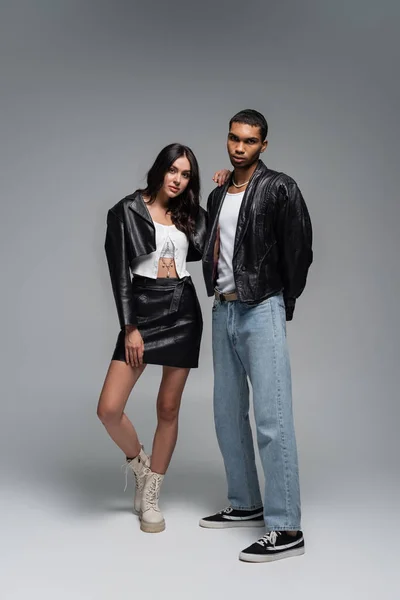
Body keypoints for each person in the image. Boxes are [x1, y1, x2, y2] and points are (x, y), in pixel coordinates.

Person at [97, 143, 229, 533]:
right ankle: (139, 465)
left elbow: (222, 235)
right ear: (160, 169)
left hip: (183, 312)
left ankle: (153, 491)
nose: (178, 179)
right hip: (142, 310)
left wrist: (222, 188)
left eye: (186, 174)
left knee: (168, 408)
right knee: (108, 408)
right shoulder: (126, 211)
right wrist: (130, 327)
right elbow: (119, 273)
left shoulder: (191, 214)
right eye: (173, 170)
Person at [200, 109, 313, 562]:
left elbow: (300, 250)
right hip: (223, 311)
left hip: (260, 307)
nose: (239, 146)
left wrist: (281, 303)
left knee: (272, 417)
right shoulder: (217, 194)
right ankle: (246, 502)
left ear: (263, 145)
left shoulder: (281, 187)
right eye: (233, 138)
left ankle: (286, 529)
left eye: (249, 140)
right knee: (227, 414)